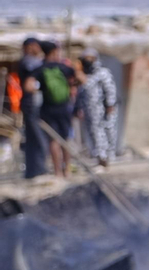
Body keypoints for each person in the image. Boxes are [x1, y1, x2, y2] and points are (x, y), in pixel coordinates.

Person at [37, 40, 76, 178]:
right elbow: (78, 79)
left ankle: (57, 171)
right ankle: (67, 170)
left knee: (53, 140)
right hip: (64, 107)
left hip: (47, 108)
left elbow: (31, 86)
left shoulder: (40, 68)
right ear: (54, 51)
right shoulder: (63, 67)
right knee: (66, 138)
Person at [74, 47, 119, 167]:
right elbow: (81, 93)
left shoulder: (102, 73)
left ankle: (105, 157)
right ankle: (99, 156)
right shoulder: (85, 75)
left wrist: (110, 104)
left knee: (104, 132)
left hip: (102, 109)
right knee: (93, 133)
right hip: (89, 110)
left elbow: (110, 89)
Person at [16, 37, 49, 179]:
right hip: (31, 106)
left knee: (34, 139)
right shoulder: (29, 62)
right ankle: (38, 170)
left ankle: (34, 170)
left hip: (35, 105)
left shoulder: (34, 62)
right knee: (38, 139)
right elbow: (31, 83)